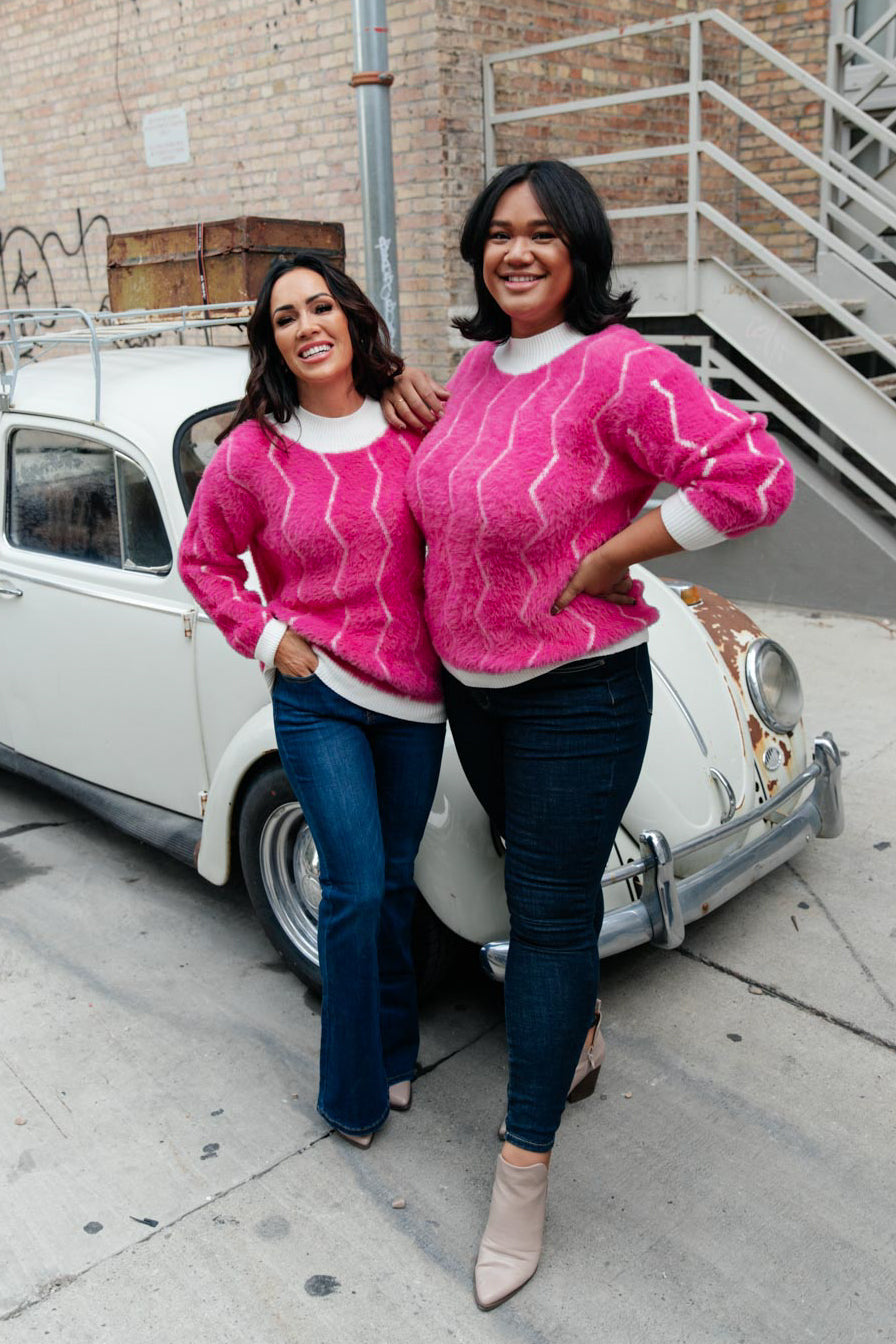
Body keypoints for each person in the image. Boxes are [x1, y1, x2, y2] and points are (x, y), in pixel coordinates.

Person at [397, 160, 795, 1309]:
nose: (515, 253)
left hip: (575, 690)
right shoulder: (474, 366)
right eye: (497, 235)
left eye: (540, 235)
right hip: (471, 687)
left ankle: (520, 1177)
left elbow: (750, 472)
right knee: (533, 873)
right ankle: (572, 1034)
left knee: (546, 917)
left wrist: (623, 551)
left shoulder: (617, 367)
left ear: (580, 248)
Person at [179, 252, 446, 1147]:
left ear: (350, 316)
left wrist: (414, 376)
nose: (306, 325)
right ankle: (352, 1094)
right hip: (319, 695)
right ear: (273, 343)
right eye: (285, 317)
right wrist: (265, 637)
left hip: (416, 698)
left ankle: (399, 1049)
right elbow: (203, 560)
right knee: (357, 889)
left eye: (319, 305)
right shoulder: (254, 451)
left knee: (400, 886)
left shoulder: (408, 422)